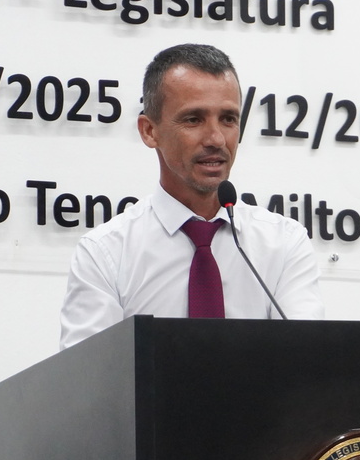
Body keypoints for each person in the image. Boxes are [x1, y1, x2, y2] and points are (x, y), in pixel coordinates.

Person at [59, 44, 324, 350]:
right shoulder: (106, 254)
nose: (216, 139)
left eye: (228, 119)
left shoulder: (283, 244)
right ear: (149, 131)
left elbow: (308, 363)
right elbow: (88, 375)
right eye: (193, 120)